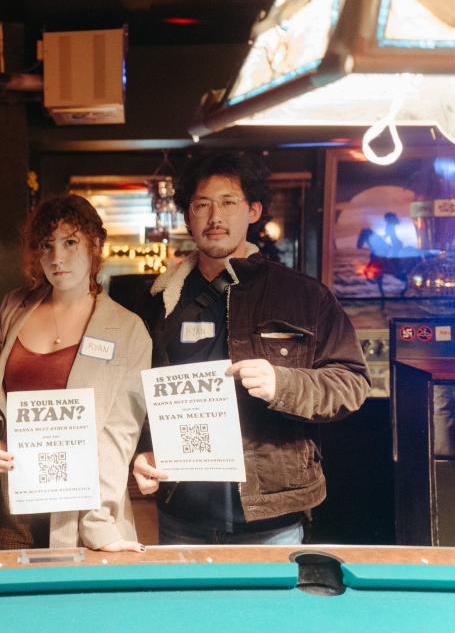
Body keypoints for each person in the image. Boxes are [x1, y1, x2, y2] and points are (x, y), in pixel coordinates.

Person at [133, 151, 370, 545]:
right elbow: (135, 395)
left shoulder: (304, 296)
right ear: (188, 215)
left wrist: (283, 384)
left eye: (228, 202)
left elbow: (351, 383)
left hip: (270, 520)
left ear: (254, 210)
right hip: (181, 511)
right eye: (202, 204)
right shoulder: (160, 300)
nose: (215, 217)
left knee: (266, 610)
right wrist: (142, 452)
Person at [0, 195, 150, 552]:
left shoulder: (128, 329)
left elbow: (118, 437)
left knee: (76, 606)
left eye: (70, 242)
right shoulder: (13, 307)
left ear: (95, 245)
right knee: (12, 604)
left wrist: (101, 523)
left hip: (81, 507)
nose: (57, 257)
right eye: (46, 245)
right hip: (11, 499)